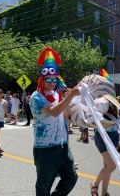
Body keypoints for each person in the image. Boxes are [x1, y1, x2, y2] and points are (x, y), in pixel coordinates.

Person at [29, 47, 79, 196]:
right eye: (48, 79)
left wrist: (68, 99)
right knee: (44, 188)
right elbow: (53, 111)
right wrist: (69, 98)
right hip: (45, 150)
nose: (51, 82)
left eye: (54, 79)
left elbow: (63, 116)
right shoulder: (36, 97)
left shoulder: (57, 95)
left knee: (71, 178)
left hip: (62, 147)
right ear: (42, 79)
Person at [90, 105, 120, 196]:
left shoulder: (114, 102)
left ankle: (104, 193)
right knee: (111, 166)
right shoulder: (100, 102)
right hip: (102, 136)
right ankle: (95, 183)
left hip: (114, 135)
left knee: (107, 166)